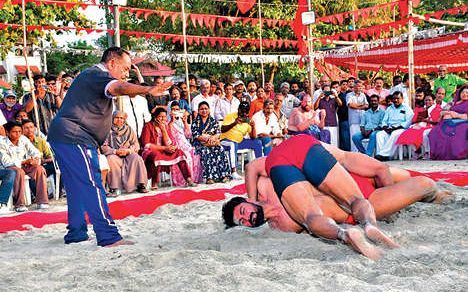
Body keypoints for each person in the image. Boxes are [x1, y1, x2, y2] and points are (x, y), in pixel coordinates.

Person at [47, 47, 171, 247]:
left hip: (67, 135)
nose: (126, 73)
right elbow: (118, 88)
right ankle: (107, 235)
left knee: (76, 186)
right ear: (112, 63)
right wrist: (147, 89)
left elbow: (122, 89)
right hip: (74, 135)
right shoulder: (97, 75)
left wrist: (136, 90)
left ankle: (76, 233)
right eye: (125, 68)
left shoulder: (93, 76)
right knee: (91, 183)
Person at [240, 134, 398, 259]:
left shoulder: (273, 214)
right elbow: (379, 168)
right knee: (355, 200)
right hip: (304, 144)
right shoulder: (341, 154)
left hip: (279, 163)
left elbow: (250, 166)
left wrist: (252, 199)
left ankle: (343, 234)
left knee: (310, 218)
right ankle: (370, 225)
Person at [223, 166, 450, 234]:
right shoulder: (281, 227)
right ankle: (432, 196)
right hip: (353, 207)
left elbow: (252, 166)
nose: (247, 218)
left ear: (246, 199)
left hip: (344, 179)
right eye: (242, 222)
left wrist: (254, 195)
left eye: (242, 211)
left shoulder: (264, 183)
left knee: (399, 174)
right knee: (423, 185)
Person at [140, 108, 196, 189]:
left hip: (164, 150)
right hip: (151, 151)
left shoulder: (165, 126)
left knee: (179, 152)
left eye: (164, 117)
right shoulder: (148, 126)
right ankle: (154, 183)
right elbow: (146, 145)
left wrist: (163, 130)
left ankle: (188, 179)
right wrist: (164, 148)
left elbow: (169, 143)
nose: (163, 119)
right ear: (155, 117)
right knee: (156, 156)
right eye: (160, 117)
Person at [0, 121, 49, 212]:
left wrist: (35, 159)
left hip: (24, 165)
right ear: (7, 133)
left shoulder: (23, 139)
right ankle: (19, 204)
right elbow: (6, 162)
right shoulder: (2, 142)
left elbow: (35, 151)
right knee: (19, 172)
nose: (18, 134)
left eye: (19, 131)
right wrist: (24, 161)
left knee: (39, 168)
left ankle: (42, 201)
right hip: (8, 168)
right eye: (15, 132)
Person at [101, 111, 148, 195]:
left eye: (122, 118)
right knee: (110, 159)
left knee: (137, 158)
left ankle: (140, 184)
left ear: (125, 120)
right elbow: (103, 146)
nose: (119, 120)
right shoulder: (106, 129)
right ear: (112, 118)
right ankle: (114, 188)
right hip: (114, 154)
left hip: (127, 154)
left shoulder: (129, 129)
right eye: (117, 118)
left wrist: (128, 150)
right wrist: (115, 151)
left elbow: (136, 144)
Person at [191, 101, 231, 184]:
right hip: (200, 143)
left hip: (213, 142)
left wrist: (213, 138)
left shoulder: (213, 121)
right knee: (206, 151)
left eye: (206, 109)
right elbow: (197, 135)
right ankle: (210, 177)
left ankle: (224, 175)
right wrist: (208, 139)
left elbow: (218, 133)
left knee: (220, 149)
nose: (204, 111)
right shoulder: (195, 122)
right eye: (202, 109)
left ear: (209, 110)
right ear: (198, 110)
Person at [220, 102, 261, 179]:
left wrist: (253, 127)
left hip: (240, 142)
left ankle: (260, 167)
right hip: (226, 141)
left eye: (245, 112)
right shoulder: (231, 116)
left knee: (257, 142)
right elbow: (222, 129)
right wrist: (234, 123)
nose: (243, 113)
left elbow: (253, 137)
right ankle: (233, 171)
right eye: (242, 111)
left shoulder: (248, 120)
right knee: (233, 144)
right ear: (238, 109)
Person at [396, 94, 441, 159]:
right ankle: (416, 150)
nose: (427, 102)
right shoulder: (421, 109)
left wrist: (427, 121)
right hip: (420, 124)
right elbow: (413, 120)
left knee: (424, 134)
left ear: (433, 101)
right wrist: (419, 119)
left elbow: (437, 122)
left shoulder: (437, 109)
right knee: (409, 132)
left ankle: (426, 152)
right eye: (426, 100)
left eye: (429, 100)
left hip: (431, 126)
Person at [428, 85, 468, 160]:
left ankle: (455, 154)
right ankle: (439, 154)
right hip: (448, 122)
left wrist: (457, 115)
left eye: (467, 92)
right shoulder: (453, 103)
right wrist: (446, 113)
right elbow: (442, 112)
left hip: (463, 122)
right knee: (435, 132)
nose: (464, 94)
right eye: (463, 92)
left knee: (457, 132)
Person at [168, 101, 202, 186]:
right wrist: (171, 121)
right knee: (187, 156)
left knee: (196, 153)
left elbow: (189, 135)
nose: (175, 111)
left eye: (177, 109)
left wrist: (185, 122)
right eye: (173, 109)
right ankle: (185, 180)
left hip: (185, 144)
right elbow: (169, 136)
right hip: (175, 146)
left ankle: (194, 179)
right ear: (170, 111)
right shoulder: (167, 123)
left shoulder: (181, 122)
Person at [374, 91, 414, 161]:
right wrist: (385, 127)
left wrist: (396, 128)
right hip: (389, 128)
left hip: (401, 129)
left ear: (402, 99)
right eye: (394, 99)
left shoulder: (406, 108)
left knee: (395, 133)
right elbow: (384, 120)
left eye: (398, 98)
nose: (395, 100)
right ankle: (381, 155)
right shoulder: (389, 108)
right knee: (380, 134)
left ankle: (385, 154)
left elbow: (408, 121)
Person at [347, 80, 368, 152]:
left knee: (361, 137)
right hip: (353, 120)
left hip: (362, 120)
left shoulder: (363, 95)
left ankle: (362, 152)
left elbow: (366, 105)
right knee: (353, 137)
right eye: (358, 86)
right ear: (354, 87)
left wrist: (357, 106)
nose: (359, 88)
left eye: (360, 87)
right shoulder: (349, 95)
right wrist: (361, 105)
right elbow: (350, 105)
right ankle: (354, 153)